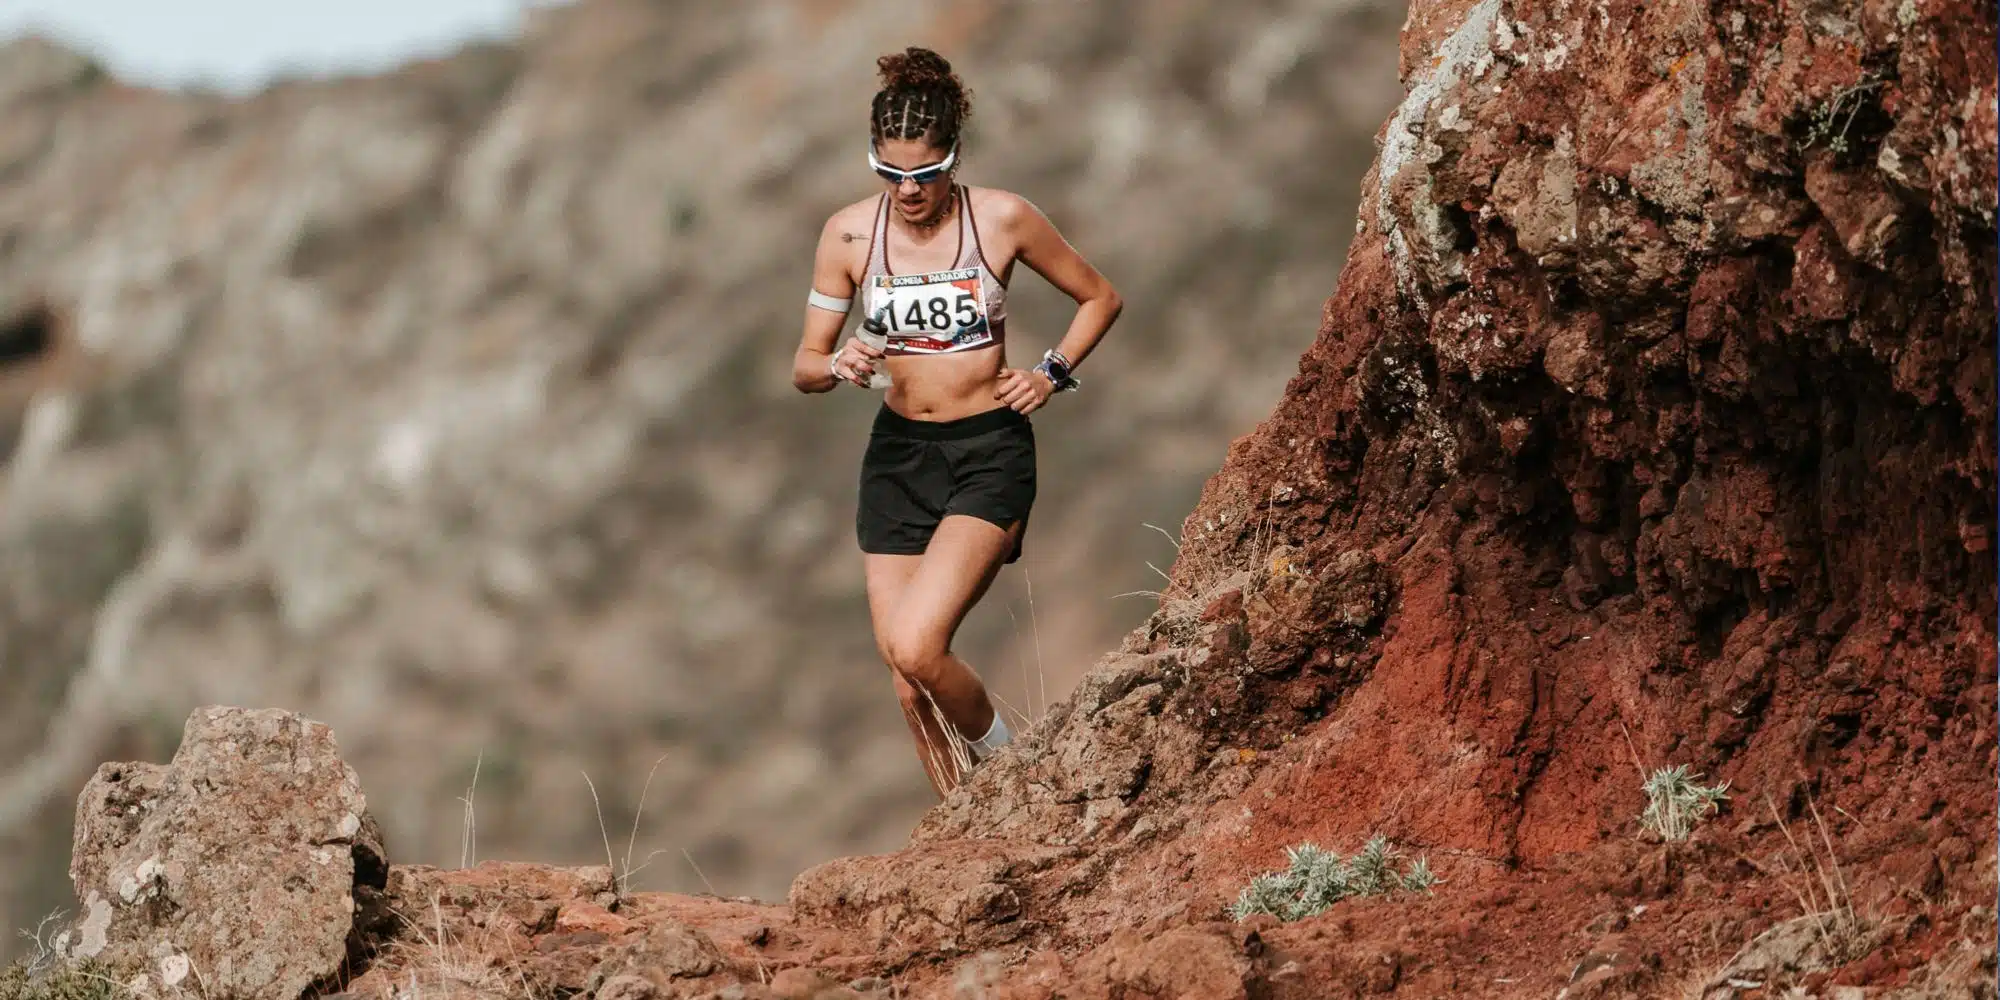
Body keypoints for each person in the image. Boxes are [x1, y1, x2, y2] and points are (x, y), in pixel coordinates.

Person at [791, 47, 1122, 797]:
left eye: (926, 175)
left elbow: (1100, 297)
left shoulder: (1002, 219)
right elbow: (804, 366)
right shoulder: (846, 236)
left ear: (953, 158)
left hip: (987, 451)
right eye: (891, 174)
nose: (909, 192)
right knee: (907, 680)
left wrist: (1050, 373)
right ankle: (965, 829)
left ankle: (1016, 780)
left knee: (918, 644)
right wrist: (836, 364)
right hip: (899, 457)